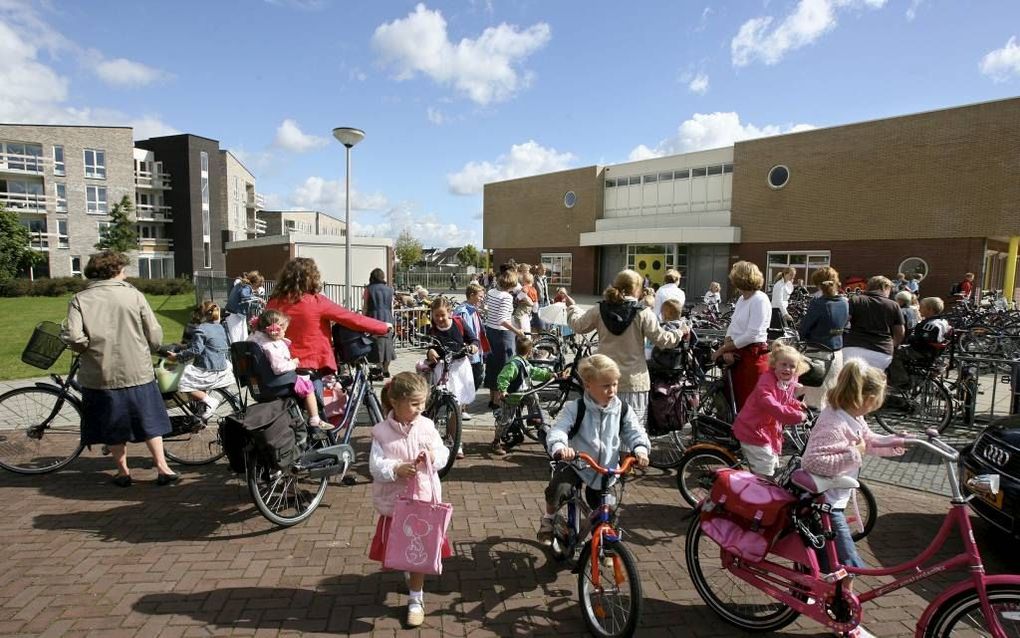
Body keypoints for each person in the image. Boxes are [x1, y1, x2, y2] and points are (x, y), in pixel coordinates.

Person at [62, 251, 178, 487]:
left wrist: (85, 347)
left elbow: (74, 337)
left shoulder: (80, 299)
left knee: (111, 423)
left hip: (100, 374)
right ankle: (163, 468)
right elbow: (154, 334)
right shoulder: (134, 296)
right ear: (115, 271)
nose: (125, 273)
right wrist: (155, 348)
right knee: (149, 420)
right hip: (138, 370)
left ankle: (123, 472)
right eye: (123, 269)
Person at [801, 361, 905, 568]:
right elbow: (813, 461)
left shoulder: (851, 415)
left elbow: (867, 440)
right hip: (824, 503)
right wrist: (854, 454)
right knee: (849, 564)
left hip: (831, 501)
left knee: (832, 560)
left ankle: (828, 594)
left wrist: (895, 441)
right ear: (868, 398)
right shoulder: (834, 423)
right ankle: (840, 597)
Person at [368, 372, 451, 628]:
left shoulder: (426, 426)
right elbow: (375, 465)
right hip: (395, 505)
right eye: (414, 403)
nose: (420, 409)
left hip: (423, 502)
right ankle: (409, 573)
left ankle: (416, 599)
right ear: (395, 401)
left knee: (419, 552)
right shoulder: (381, 432)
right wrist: (395, 469)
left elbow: (443, 452)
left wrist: (432, 457)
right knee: (405, 550)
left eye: (422, 403)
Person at [539, 354, 650, 544]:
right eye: (606, 386)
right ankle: (548, 520)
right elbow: (559, 429)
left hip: (605, 467)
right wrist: (560, 447)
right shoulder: (576, 407)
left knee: (607, 510)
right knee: (559, 489)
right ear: (588, 385)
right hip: (576, 463)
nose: (612, 390)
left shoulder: (622, 409)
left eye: (614, 384)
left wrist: (640, 448)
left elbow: (635, 431)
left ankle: (607, 547)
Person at [562, 269, 685, 425]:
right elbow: (663, 340)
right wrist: (680, 331)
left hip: (604, 380)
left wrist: (572, 308)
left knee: (604, 430)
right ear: (637, 289)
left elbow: (579, 325)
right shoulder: (643, 313)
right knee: (632, 432)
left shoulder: (601, 309)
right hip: (634, 382)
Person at [267, 258, 390, 395]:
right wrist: (383, 326)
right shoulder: (316, 302)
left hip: (279, 364)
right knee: (316, 409)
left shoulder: (273, 303)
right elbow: (351, 318)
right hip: (310, 364)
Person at [732, 342, 809, 477]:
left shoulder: (786, 381)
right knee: (765, 470)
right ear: (774, 364)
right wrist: (797, 416)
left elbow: (783, 398)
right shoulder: (766, 381)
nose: (787, 369)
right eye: (783, 364)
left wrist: (797, 404)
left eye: (792, 366)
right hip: (754, 429)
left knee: (773, 464)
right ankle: (757, 495)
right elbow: (772, 405)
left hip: (768, 430)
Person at [248, 309, 327, 429]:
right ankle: (314, 418)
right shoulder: (272, 345)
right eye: (284, 329)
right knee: (307, 385)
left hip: (261, 383)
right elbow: (279, 367)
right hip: (276, 383)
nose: (285, 332)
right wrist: (293, 363)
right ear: (275, 331)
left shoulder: (255, 339)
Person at [712, 261, 771, 410]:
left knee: (748, 400)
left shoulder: (759, 299)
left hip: (752, 355)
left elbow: (752, 334)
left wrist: (723, 349)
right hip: (738, 352)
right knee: (732, 397)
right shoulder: (741, 299)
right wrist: (728, 348)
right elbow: (733, 325)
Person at [167, 301, 235, 416]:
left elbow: (196, 350)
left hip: (208, 369)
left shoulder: (201, 329)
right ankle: (202, 410)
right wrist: (185, 346)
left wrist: (177, 357)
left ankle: (209, 401)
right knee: (195, 380)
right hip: (222, 367)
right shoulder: (219, 327)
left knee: (179, 379)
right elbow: (207, 343)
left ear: (201, 314)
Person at [492, 336, 556, 455]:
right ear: (530, 351)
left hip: (523, 392)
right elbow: (503, 377)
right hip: (511, 397)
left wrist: (550, 375)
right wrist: (503, 390)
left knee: (533, 396)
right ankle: (496, 442)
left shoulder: (525, 363)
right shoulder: (514, 364)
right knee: (506, 421)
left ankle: (532, 417)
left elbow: (535, 372)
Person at [798, 267, 849, 409]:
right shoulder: (844, 302)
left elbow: (805, 328)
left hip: (817, 354)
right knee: (828, 395)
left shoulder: (818, 303)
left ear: (818, 285)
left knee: (813, 400)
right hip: (837, 353)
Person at [426, 297, 479, 431]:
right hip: (442, 367)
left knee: (456, 404)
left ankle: (454, 439)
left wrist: (473, 347)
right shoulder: (432, 329)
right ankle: (433, 423)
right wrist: (430, 351)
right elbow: (428, 346)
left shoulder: (459, 323)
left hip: (460, 366)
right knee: (442, 399)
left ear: (449, 312)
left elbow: (474, 340)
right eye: (436, 315)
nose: (439, 319)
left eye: (442, 315)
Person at [842, 276, 905, 371]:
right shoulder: (893, 305)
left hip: (853, 347)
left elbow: (844, 321)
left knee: (850, 381)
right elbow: (900, 331)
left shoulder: (856, 300)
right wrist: (894, 344)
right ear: (884, 287)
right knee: (873, 383)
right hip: (881, 351)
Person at [483, 270, 526, 408]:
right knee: (504, 368)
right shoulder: (506, 297)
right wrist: (517, 331)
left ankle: (492, 399)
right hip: (503, 335)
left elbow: (487, 309)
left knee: (492, 366)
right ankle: (499, 401)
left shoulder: (491, 292)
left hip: (490, 331)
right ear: (512, 283)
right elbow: (502, 320)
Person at [887, 297, 952, 387]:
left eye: (922, 307)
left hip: (921, 352)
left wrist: (909, 338)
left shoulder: (930, 325)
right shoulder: (942, 321)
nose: (919, 309)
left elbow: (921, 340)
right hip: (932, 352)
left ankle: (901, 380)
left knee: (893, 353)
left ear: (930, 310)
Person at [453, 283, 489, 401]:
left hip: (476, 349)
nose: (482, 299)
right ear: (472, 295)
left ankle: (464, 404)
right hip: (468, 350)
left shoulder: (473, 310)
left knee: (477, 376)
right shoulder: (462, 311)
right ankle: (462, 405)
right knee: (473, 377)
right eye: (480, 296)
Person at [364, 268, 396, 379]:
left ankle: (379, 368)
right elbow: (391, 307)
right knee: (388, 345)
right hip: (387, 318)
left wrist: (363, 320)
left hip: (373, 318)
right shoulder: (390, 289)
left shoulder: (369, 289)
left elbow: (366, 307)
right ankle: (386, 369)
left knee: (376, 345)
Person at [225, 271, 265, 343]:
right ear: (255, 283)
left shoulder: (242, 285)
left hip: (236, 314)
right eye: (258, 286)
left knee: (242, 335)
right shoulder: (246, 287)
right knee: (237, 337)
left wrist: (257, 304)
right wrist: (258, 299)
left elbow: (245, 303)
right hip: (234, 315)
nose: (257, 288)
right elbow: (245, 297)